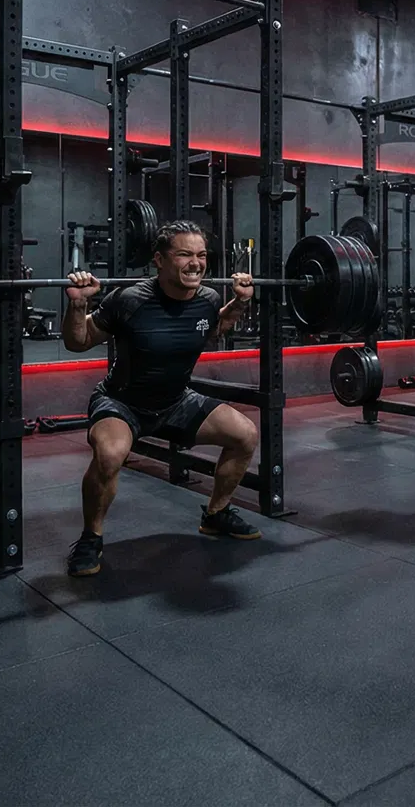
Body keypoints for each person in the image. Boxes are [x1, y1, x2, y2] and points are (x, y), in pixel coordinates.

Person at [61, 219, 262, 577]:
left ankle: (216, 514)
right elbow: (78, 342)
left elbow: (213, 326)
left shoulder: (208, 298)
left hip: (176, 401)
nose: (196, 263)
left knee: (244, 434)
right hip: (121, 403)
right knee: (109, 455)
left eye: (201, 255)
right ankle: (91, 537)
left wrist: (238, 304)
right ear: (159, 259)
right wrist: (77, 305)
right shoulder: (129, 299)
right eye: (184, 255)